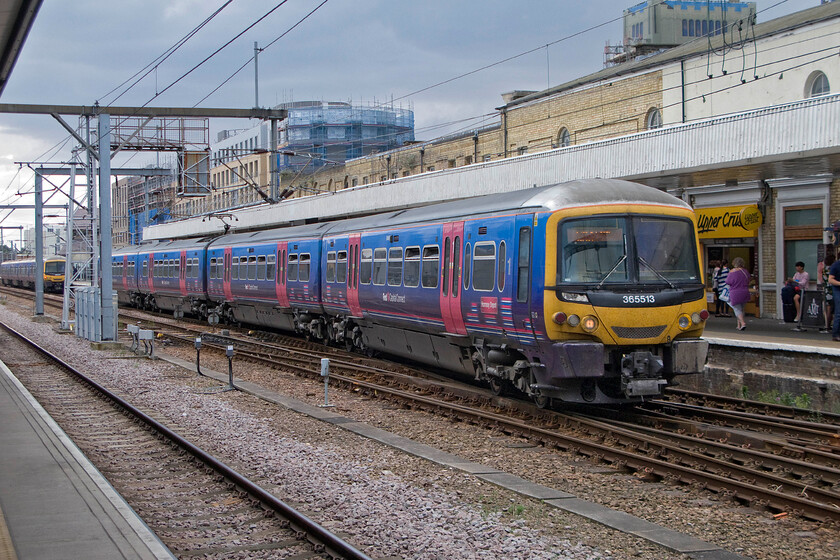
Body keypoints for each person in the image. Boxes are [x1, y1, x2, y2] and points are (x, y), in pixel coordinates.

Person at [725, 257, 750, 331]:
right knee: (741, 309)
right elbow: (749, 279)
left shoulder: (732, 271)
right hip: (745, 291)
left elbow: (728, 281)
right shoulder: (745, 271)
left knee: (736, 309)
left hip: (735, 292)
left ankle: (743, 323)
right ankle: (738, 325)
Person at [822, 253, 836, 333]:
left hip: (827, 290)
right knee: (832, 309)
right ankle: (829, 325)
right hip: (833, 289)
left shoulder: (824, 269)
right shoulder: (832, 269)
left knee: (828, 308)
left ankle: (827, 325)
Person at [829, 251, 840, 342]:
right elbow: (830, 279)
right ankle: (836, 334)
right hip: (838, 290)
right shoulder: (836, 265)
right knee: (839, 312)